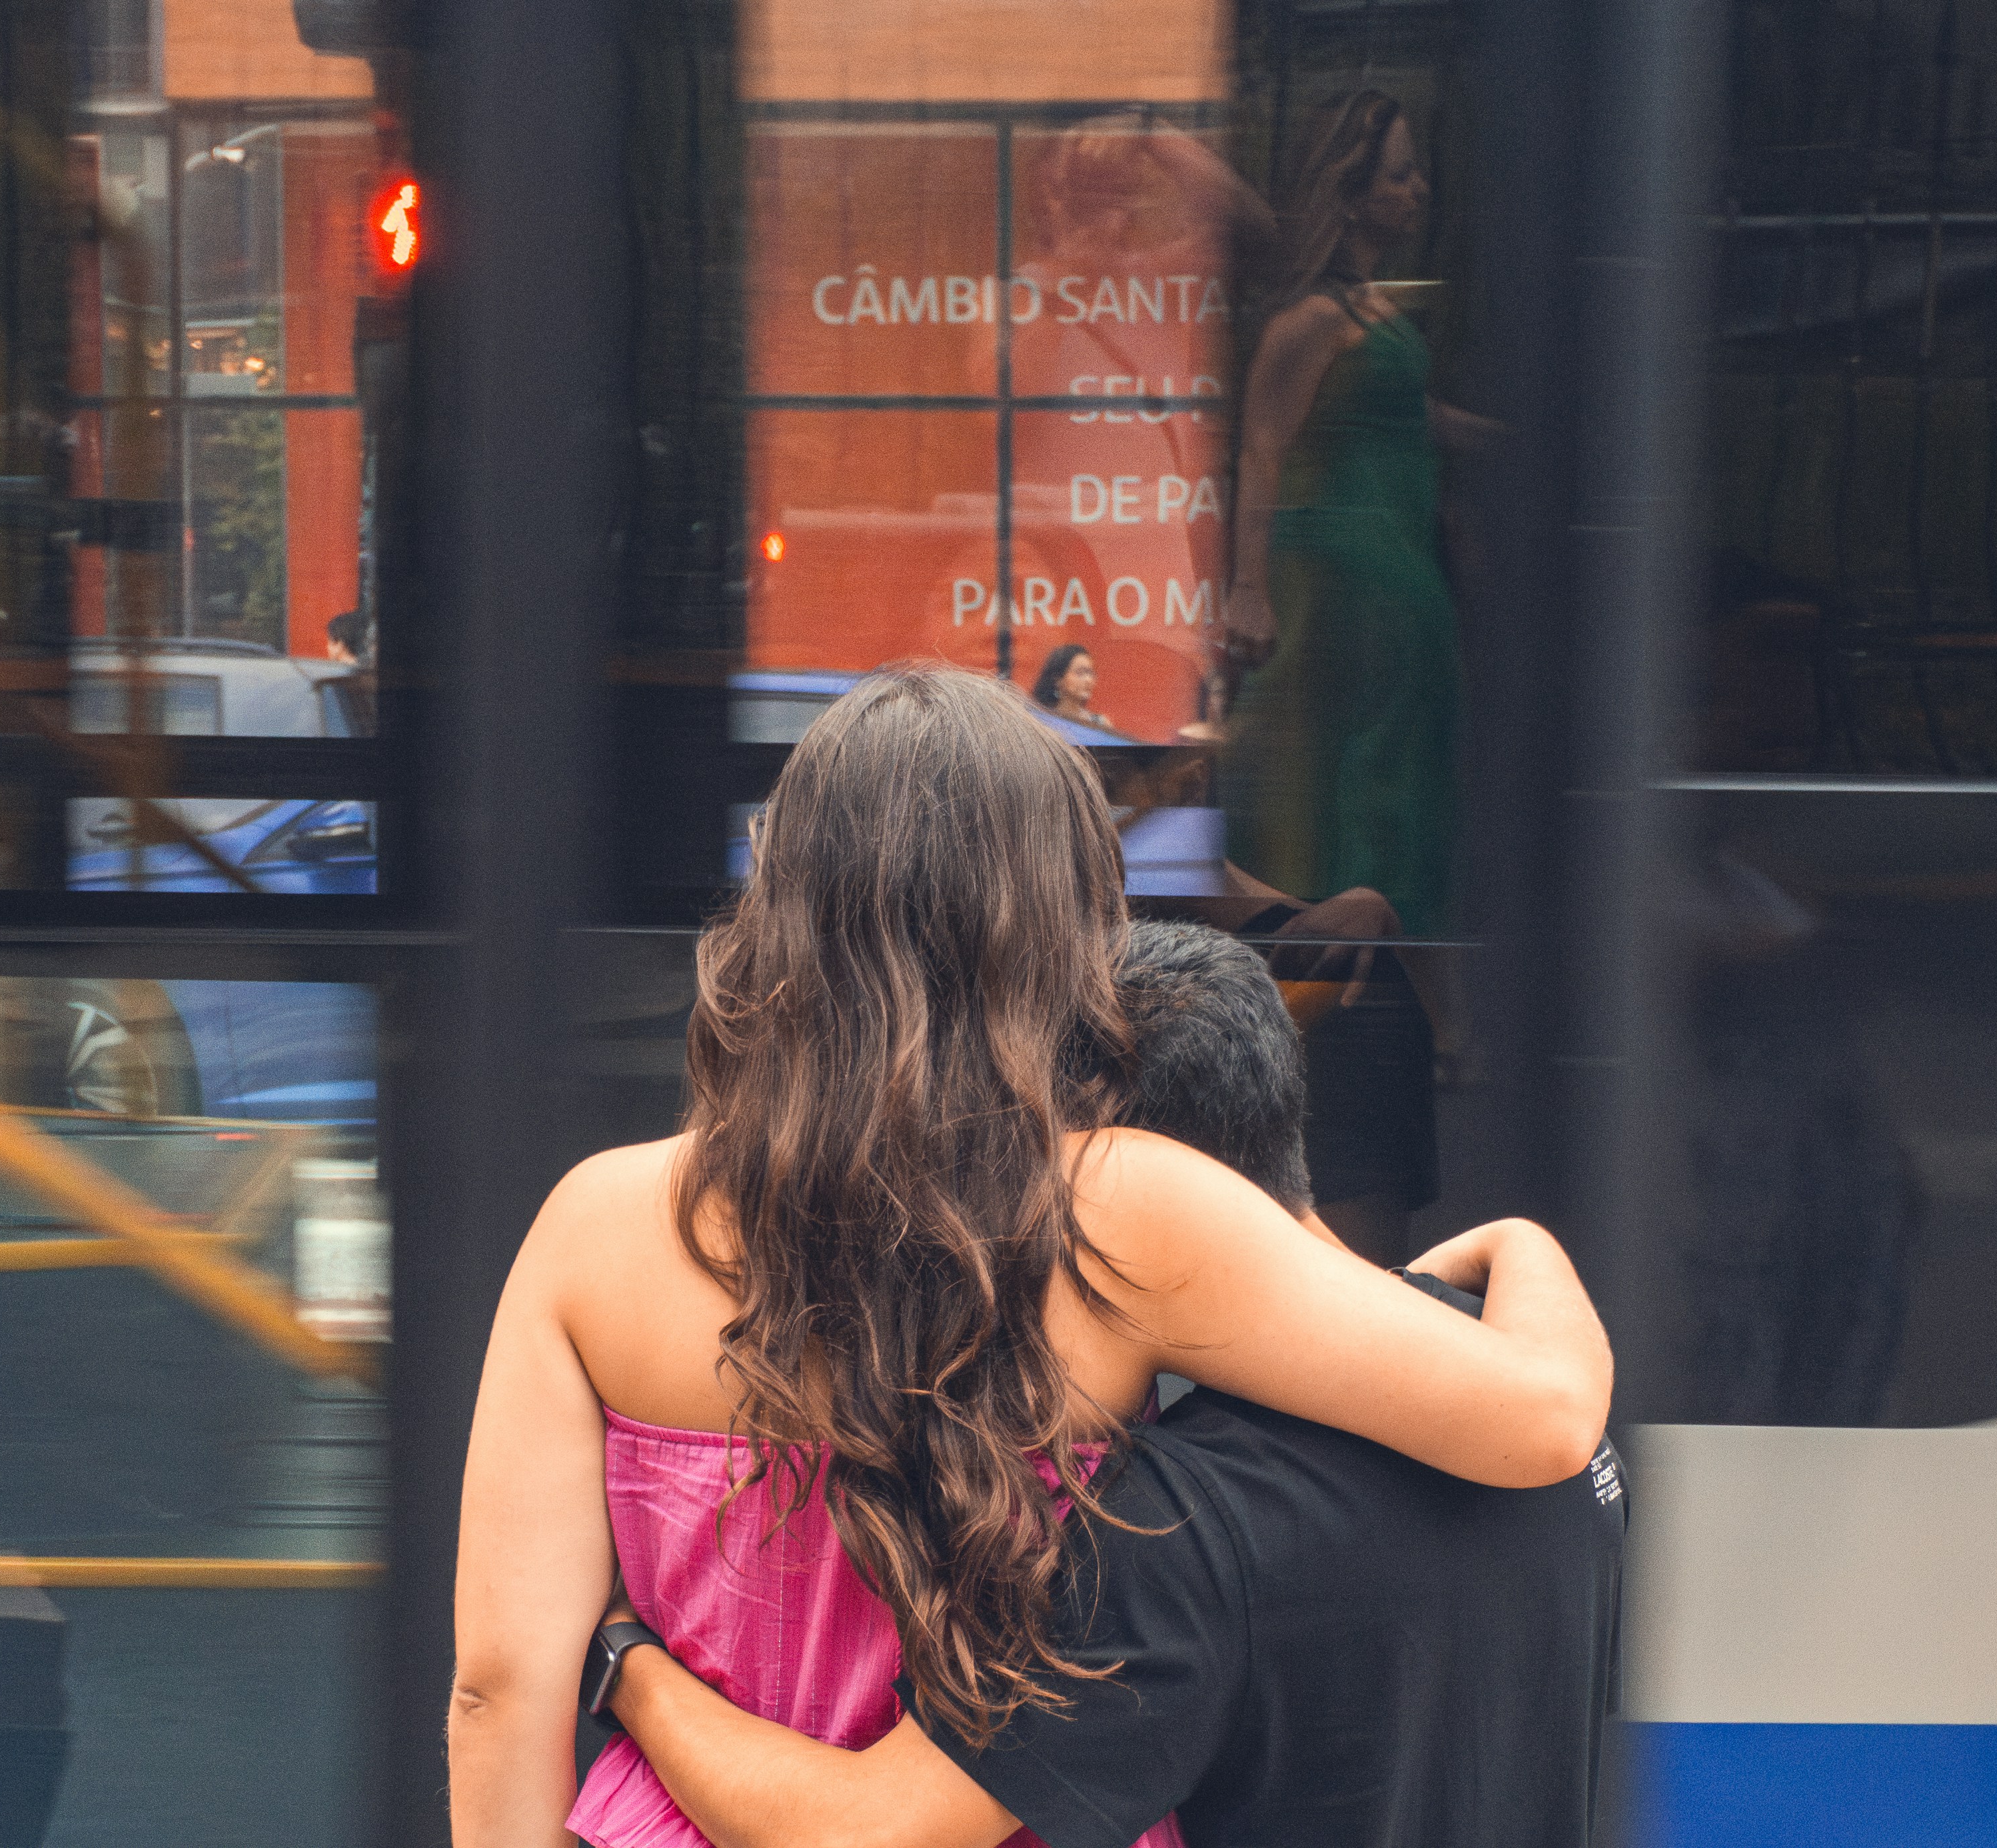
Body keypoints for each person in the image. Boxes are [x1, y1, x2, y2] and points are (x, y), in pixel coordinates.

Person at [448, 666, 1611, 1848]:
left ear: (779, 898)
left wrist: (627, 1680)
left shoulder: (591, 1225)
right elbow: (1547, 1420)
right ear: (1063, 920)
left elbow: (498, 1690)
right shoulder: (1122, 1211)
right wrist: (1527, 1248)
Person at [593, 918, 1628, 1848]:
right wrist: (1519, 1242)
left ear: (1128, 1185)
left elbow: (865, 1831)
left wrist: (630, 1668)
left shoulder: (1173, 1528)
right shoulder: (1548, 1408)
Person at [1217, 91, 1493, 938]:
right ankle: (1334, 946)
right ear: (1350, 188)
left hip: (1394, 574)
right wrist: (1249, 590)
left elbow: (1416, 418)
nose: (1417, 193)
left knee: (1396, 759)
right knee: (1346, 770)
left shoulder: (1373, 310)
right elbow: (1261, 446)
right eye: (1400, 176)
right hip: (1337, 578)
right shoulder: (1309, 319)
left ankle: (1387, 947)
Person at [1030, 644, 1117, 734]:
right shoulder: (1040, 721)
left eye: (1090, 673)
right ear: (1058, 679)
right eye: (1080, 673)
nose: (1088, 680)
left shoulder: (1100, 724)